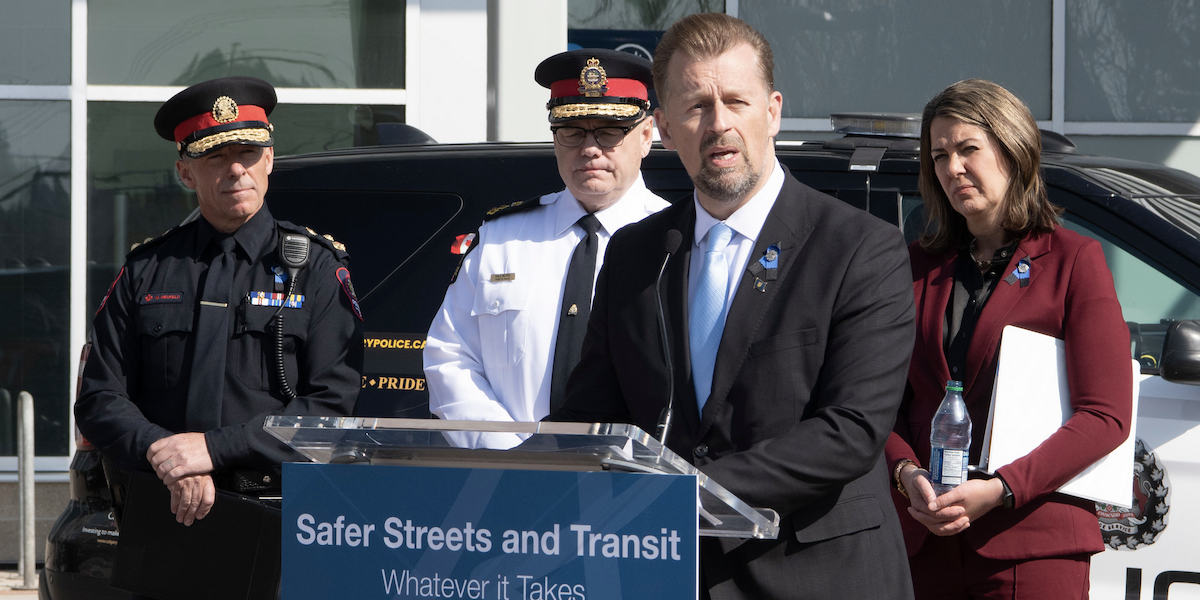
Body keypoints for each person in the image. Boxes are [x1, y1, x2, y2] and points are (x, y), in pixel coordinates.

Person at [546, 13, 916, 600]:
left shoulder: (860, 249)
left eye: (736, 102)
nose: (719, 125)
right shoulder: (638, 253)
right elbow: (591, 414)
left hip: (817, 575)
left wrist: (682, 493)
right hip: (667, 575)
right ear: (665, 128)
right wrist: (525, 483)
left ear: (772, 112)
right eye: (696, 107)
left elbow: (851, 430)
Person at [76, 76, 364, 533]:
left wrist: (213, 449)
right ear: (185, 172)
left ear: (269, 159)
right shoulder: (147, 269)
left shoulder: (316, 269)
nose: (236, 170)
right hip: (163, 506)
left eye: (248, 154)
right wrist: (167, 453)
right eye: (216, 157)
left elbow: (331, 405)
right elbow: (99, 397)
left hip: (280, 513)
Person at [885, 79, 1133, 599]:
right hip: (925, 544)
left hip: (1031, 548)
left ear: (1013, 148)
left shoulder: (1073, 261)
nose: (952, 168)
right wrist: (907, 473)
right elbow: (880, 403)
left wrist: (1001, 490)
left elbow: (1105, 416)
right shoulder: (915, 266)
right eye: (939, 155)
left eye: (968, 149)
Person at [423, 49, 668, 449]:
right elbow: (450, 355)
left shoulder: (676, 240)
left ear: (644, 137)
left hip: (633, 485)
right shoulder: (503, 238)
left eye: (609, 131)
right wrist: (512, 455)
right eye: (572, 131)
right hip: (509, 481)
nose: (590, 149)